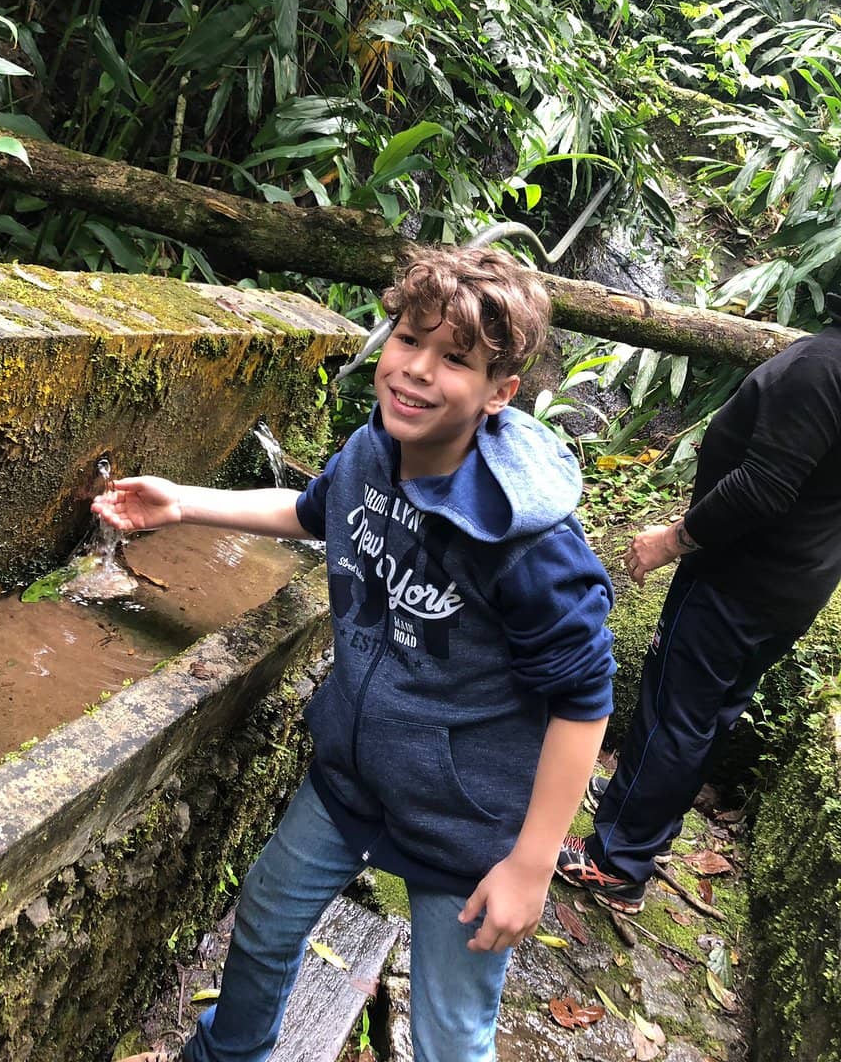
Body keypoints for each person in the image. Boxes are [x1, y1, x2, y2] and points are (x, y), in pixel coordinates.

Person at [93, 245, 616, 1062]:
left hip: (467, 824)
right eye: (409, 339)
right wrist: (182, 503)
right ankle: (226, 1053)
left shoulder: (532, 546)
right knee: (265, 918)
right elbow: (311, 510)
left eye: (454, 360)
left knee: (450, 1033)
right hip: (352, 776)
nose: (414, 370)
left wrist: (531, 864)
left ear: (499, 394)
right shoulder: (373, 450)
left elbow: (586, 700)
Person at [556, 305, 841, 914]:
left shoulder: (824, 367)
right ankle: (643, 819)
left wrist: (670, 541)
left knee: (674, 712)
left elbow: (762, 487)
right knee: (708, 716)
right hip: (792, 586)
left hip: (734, 581)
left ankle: (615, 862)